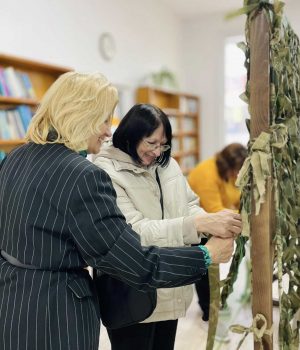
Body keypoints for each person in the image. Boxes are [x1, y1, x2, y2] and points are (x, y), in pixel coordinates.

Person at [0, 73, 238, 350]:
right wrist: (205, 255)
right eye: (103, 119)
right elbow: (135, 261)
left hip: (12, 300)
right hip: (57, 313)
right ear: (80, 114)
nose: (106, 130)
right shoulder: (84, 175)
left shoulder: (15, 157)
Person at [93, 104, 243, 350]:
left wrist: (211, 223)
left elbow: (189, 205)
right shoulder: (105, 172)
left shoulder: (167, 164)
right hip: (131, 292)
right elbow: (133, 232)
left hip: (169, 285)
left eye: (163, 144)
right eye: (151, 143)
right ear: (130, 135)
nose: (157, 151)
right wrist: (197, 223)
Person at [188, 143, 247, 321]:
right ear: (229, 165)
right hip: (198, 227)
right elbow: (214, 210)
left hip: (211, 225)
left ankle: (214, 303)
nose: (238, 174)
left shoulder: (227, 173)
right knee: (204, 269)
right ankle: (208, 309)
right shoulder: (207, 174)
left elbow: (236, 198)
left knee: (211, 268)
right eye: (237, 170)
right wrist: (247, 217)